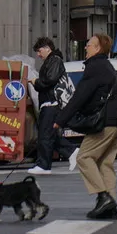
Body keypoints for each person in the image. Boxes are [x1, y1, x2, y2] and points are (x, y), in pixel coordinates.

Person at [54, 34, 117, 220]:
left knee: (84, 157)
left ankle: (103, 197)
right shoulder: (108, 66)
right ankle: (110, 206)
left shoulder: (95, 67)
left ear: (97, 49)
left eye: (88, 45)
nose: (85, 47)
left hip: (106, 121)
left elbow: (80, 97)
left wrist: (61, 120)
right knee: (105, 163)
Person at [29, 36, 78, 175]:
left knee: (45, 134)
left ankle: (44, 165)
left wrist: (36, 82)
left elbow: (49, 80)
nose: (38, 55)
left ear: (47, 48)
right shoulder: (53, 61)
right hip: (49, 103)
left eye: (39, 51)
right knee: (48, 134)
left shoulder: (55, 60)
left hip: (52, 103)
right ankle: (72, 151)